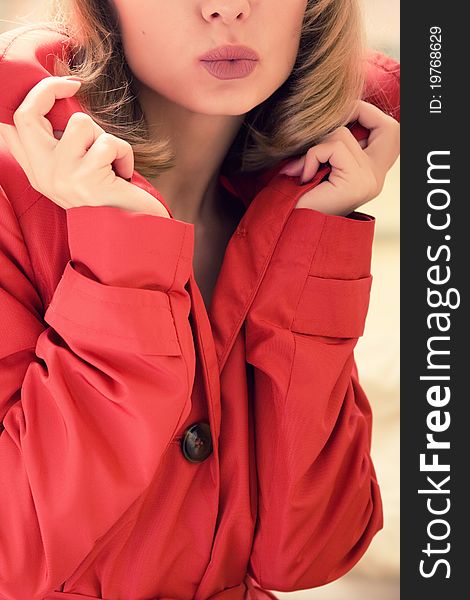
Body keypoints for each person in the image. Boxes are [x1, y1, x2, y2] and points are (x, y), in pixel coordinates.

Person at [0, 1, 400, 599]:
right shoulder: (11, 199)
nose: (228, 7)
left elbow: (313, 549)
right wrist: (120, 266)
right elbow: (16, 556)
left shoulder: (282, 205)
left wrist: (314, 244)